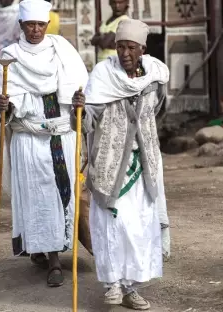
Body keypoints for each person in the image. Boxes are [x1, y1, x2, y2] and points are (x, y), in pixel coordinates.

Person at [71, 19, 169, 310]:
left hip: (144, 165)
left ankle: (131, 288)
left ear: (142, 49)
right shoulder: (103, 75)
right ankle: (112, 283)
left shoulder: (154, 75)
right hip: (110, 165)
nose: (125, 53)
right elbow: (88, 118)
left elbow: (159, 109)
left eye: (131, 47)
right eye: (120, 46)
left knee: (139, 226)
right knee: (114, 224)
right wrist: (80, 108)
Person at [0, 0, 88, 287]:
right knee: (39, 197)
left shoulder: (62, 51)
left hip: (61, 135)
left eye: (40, 25)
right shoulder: (9, 57)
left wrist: (78, 103)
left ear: (47, 25)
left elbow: (80, 87)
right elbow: (2, 102)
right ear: (21, 25)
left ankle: (53, 248)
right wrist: (2, 104)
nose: (35, 30)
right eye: (30, 25)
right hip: (29, 140)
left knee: (62, 193)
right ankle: (53, 260)